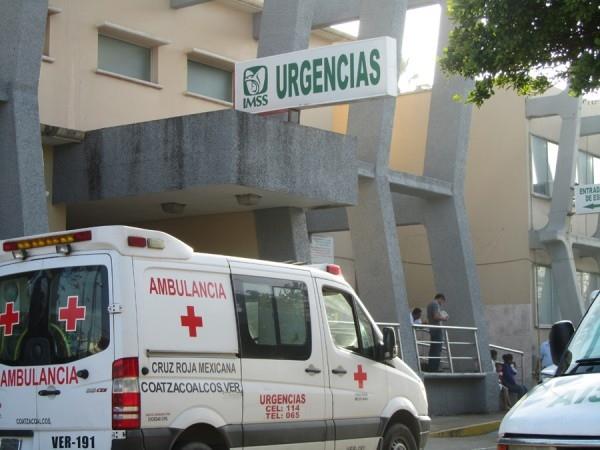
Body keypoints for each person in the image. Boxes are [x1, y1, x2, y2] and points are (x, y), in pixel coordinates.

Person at [426, 293, 448, 372]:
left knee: (433, 349)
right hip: (437, 329)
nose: (442, 303)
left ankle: (431, 367)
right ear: (441, 298)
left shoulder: (430, 304)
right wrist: (444, 318)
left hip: (432, 329)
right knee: (437, 349)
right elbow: (435, 316)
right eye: (443, 301)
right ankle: (435, 368)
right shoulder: (435, 304)